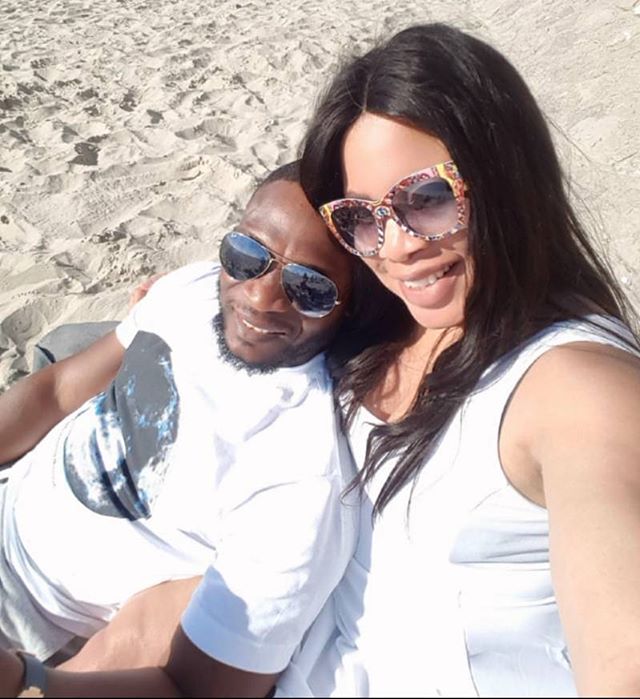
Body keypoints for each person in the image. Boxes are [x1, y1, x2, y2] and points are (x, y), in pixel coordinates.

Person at [2, 22, 640, 698]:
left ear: (507, 176)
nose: (398, 246)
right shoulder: (392, 316)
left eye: (428, 198)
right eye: (361, 216)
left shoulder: (578, 389)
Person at [0, 161, 393, 696]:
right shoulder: (189, 291)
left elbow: (191, 685)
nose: (260, 296)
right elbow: (59, 389)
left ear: (353, 307)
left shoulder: (302, 476)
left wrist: (26, 682)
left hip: (34, 631)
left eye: (310, 287)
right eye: (247, 254)